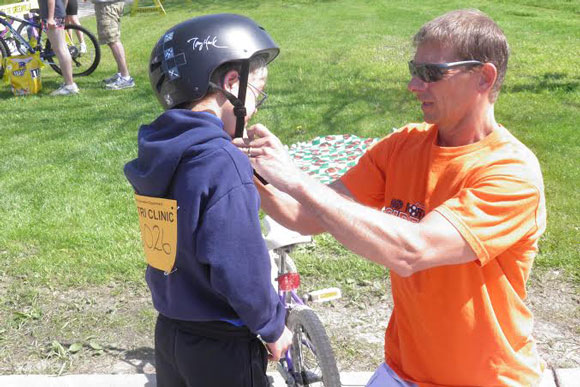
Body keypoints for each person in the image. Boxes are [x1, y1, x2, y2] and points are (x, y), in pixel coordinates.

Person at [234, 9, 547, 387]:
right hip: (402, 372)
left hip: (487, 379)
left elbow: (412, 251)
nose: (415, 85)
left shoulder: (511, 172)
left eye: (432, 74)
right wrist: (243, 168)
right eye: (414, 70)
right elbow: (303, 215)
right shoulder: (403, 146)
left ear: (484, 76)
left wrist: (296, 178)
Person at [124, 14, 292, 387]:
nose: (258, 105)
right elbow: (238, 263)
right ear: (232, 83)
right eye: (257, 92)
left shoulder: (163, 151)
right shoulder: (220, 161)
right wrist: (272, 326)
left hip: (171, 331)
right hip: (223, 343)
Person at [90, 0, 134, 90]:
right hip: (109, 4)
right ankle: (121, 74)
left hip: (107, 5)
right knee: (113, 38)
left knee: (112, 40)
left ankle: (126, 78)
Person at [38, 0, 79, 95]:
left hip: (53, 15)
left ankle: (70, 85)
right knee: (62, 49)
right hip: (58, 13)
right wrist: (62, 11)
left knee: (61, 50)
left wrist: (51, 18)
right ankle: (69, 83)